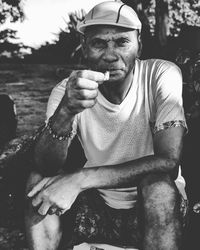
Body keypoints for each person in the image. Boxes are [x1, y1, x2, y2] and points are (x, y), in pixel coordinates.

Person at [25, 1, 188, 249]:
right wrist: (66, 112)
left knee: (157, 187)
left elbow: (168, 159)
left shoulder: (161, 75)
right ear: (84, 49)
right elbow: (46, 164)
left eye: (122, 42)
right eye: (99, 43)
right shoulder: (67, 90)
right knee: (39, 180)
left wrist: (79, 179)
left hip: (157, 208)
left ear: (139, 45)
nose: (111, 55)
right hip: (97, 205)